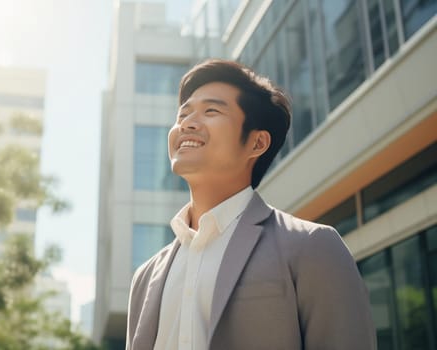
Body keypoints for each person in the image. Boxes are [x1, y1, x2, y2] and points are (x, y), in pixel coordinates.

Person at [125, 59, 376, 350]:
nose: (187, 124)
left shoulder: (312, 247)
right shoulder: (145, 278)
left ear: (257, 144)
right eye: (183, 115)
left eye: (211, 111)